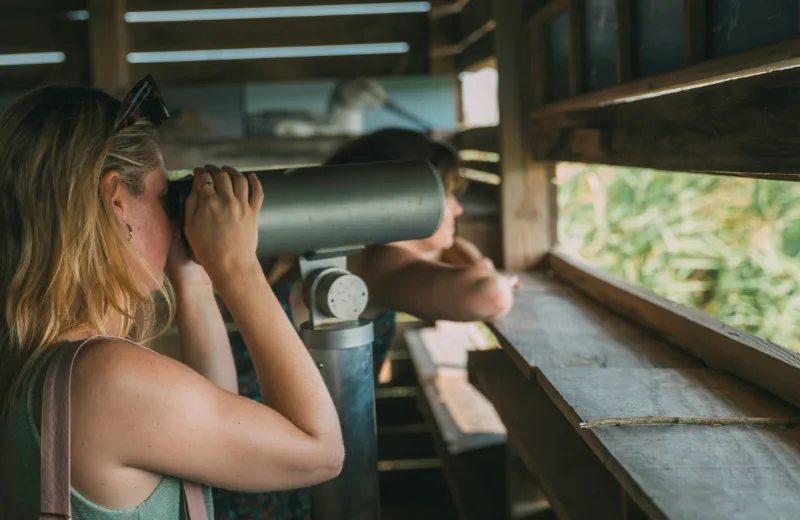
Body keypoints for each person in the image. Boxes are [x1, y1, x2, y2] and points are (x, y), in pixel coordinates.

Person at [0, 78, 344, 519]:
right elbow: (320, 453)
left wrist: (195, 278)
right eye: (164, 196)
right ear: (115, 202)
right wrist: (238, 269)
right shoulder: (105, 377)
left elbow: (217, 432)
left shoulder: (37, 365)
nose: (174, 217)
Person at [213, 128, 516, 520]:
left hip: (251, 458)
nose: (457, 209)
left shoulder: (339, 254)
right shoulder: (378, 263)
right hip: (274, 477)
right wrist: (478, 262)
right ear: (404, 198)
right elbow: (489, 296)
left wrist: (446, 240)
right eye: (447, 196)